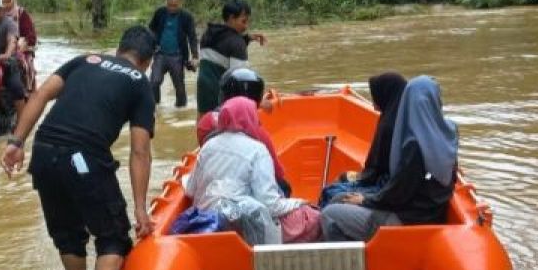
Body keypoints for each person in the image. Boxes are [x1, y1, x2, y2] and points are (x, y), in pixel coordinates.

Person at [0, 26, 158, 270]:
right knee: (114, 237)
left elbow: (40, 95)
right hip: (83, 156)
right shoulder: (140, 83)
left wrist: (16, 142)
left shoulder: (85, 60)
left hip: (44, 152)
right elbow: (140, 151)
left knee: (68, 234)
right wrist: (140, 209)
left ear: (119, 48)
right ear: (148, 61)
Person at [320, 76, 456, 241]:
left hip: (406, 220)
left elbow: (398, 194)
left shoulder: (415, 145)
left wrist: (366, 200)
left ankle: (353, 264)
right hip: (427, 214)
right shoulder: (448, 135)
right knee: (340, 198)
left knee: (330, 214)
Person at [185, 97, 319, 244]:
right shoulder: (257, 150)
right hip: (243, 228)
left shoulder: (207, 147)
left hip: (207, 222)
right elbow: (270, 205)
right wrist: (299, 203)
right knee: (312, 218)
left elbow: (190, 191)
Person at [195, 68, 290, 195]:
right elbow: (277, 173)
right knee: (285, 187)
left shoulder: (205, 123)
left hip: (214, 191)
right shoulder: (259, 135)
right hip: (244, 195)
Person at [320, 72, 408, 204]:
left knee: (330, 192)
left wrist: (361, 180)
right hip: (387, 183)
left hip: (384, 186)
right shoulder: (399, 118)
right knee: (343, 178)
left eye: (376, 96)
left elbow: (378, 170)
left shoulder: (389, 126)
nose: (373, 102)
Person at [196, 0, 267, 115]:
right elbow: (241, 80)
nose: (246, 26)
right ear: (231, 18)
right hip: (222, 102)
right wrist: (259, 101)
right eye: (243, 21)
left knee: (204, 128)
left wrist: (247, 38)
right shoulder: (237, 43)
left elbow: (223, 47)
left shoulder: (208, 34)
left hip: (203, 96)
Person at [147, 0, 199, 107]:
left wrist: (195, 56)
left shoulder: (187, 17)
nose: (172, 8)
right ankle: (156, 107)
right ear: (166, 1)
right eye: (169, 5)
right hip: (160, 54)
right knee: (154, 82)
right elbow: (151, 30)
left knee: (179, 88)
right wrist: (149, 50)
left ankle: (181, 111)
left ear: (181, 2)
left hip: (177, 56)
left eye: (175, 6)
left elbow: (192, 37)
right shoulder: (160, 13)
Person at [0, 0, 37, 92]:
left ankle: (29, 93)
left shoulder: (21, 13)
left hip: (21, 50)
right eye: (1, 0)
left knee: (26, 66)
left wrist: (23, 41)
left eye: (7, 0)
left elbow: (32, 36)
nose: (4, 4)